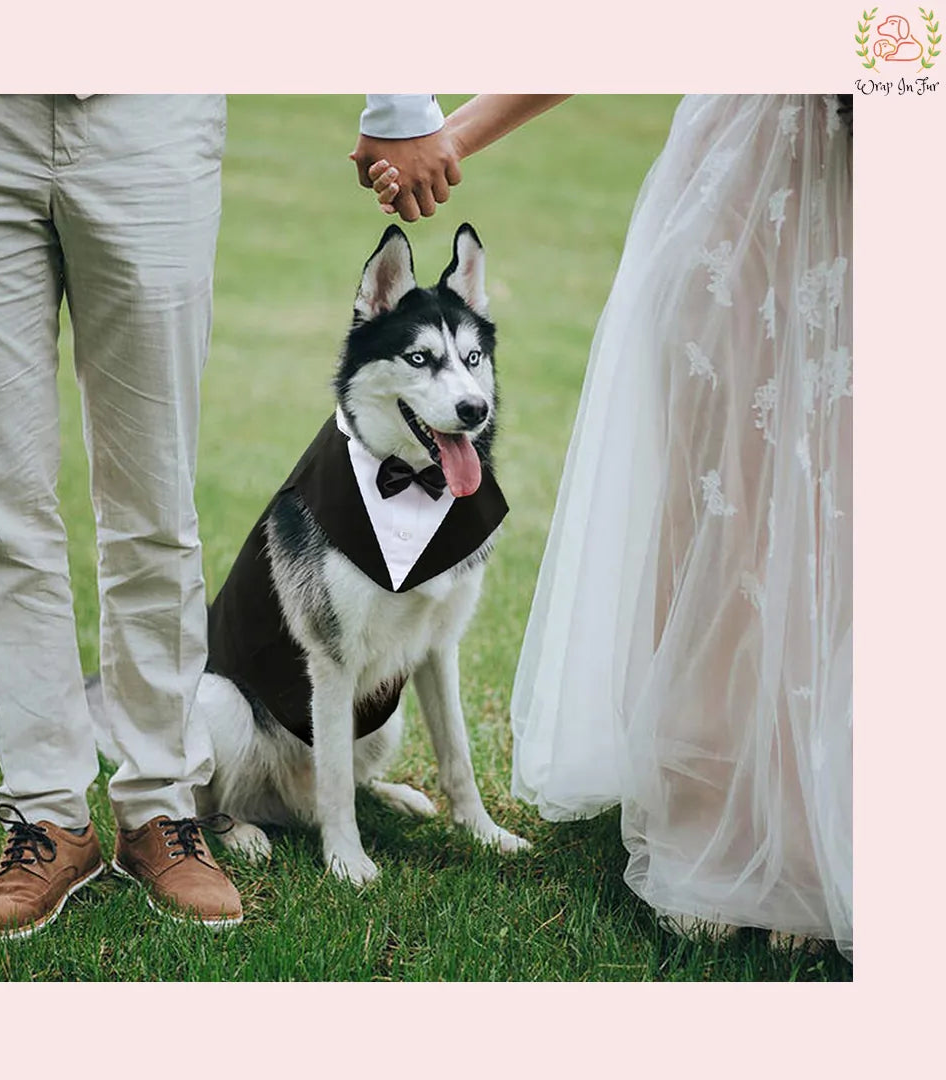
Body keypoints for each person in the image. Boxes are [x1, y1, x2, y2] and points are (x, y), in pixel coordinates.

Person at [359, 94, 853, 958]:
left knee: (851, 504)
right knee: (719, 502)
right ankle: (713, 814)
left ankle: (828, 810)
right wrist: (450, 136)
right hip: (746, 179)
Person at [0, 94, 462, 939]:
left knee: (153, 498)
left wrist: (398, 96)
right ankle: (45, 816)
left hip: (147, 110)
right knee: (0, 505)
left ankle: (163, 802)